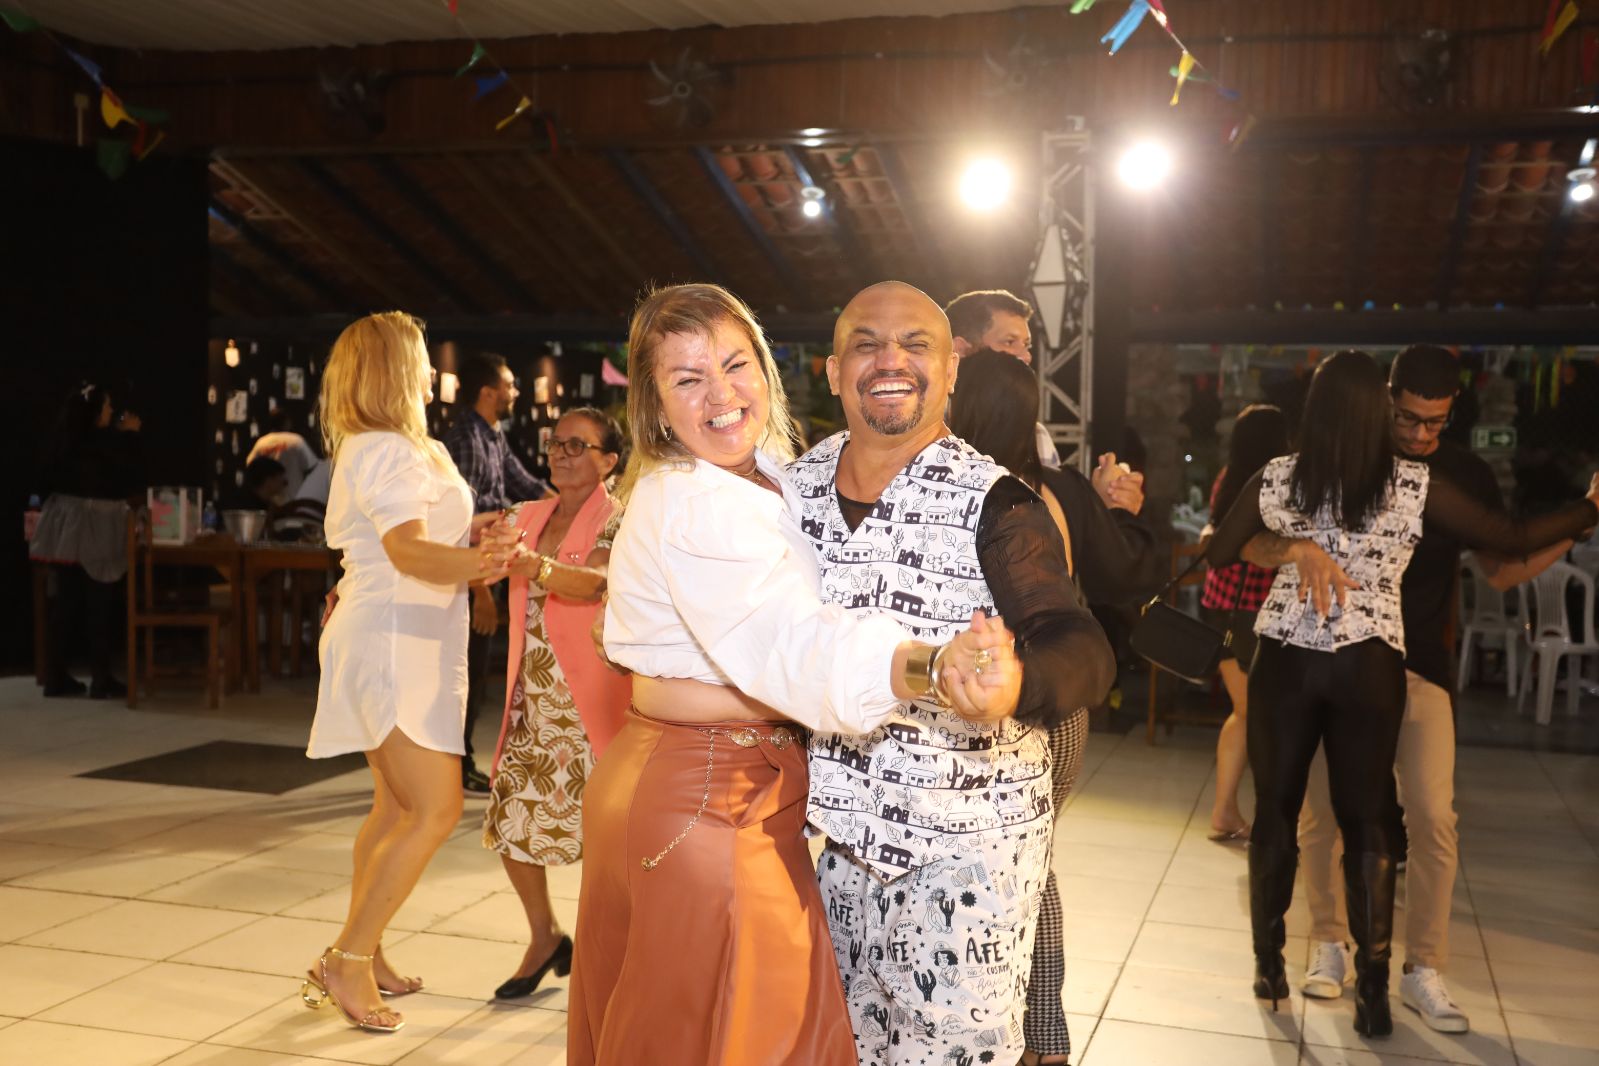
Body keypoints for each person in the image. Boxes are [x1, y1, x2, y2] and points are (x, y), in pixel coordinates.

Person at [570, 283, 1021, 1066]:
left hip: (711, 784)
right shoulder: (694, 500)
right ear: (654, 404)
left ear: (765, 368)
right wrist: (927, 663)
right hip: (704, 795)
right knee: (738, 1037)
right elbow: (791, 642)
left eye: (734, 365)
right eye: (687, 379)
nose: (720, 395)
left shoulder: (767, 476)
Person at [1204, 349, 1599, 1038]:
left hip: (1295, 659)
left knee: (1284, 812)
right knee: (1362, 822)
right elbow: (1508, 538)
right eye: (1405, 418)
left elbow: (1217, 551)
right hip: (1371, 663)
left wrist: (1293, 548)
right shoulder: (1413, 485)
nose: (1417, 432)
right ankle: (1371, 989)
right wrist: (1587, 508)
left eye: (1431, 422)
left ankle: (1274, 967)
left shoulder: (1279, 476)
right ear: (1378, 408)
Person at [793, 282, 1117, 1065]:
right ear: (833, 371)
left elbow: (1080, 644)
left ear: (949, 372)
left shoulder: (994, 500)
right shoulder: (790, 490)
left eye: (915, 345)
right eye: (866, 344)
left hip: (966, 858)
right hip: (835, 849)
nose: (890, 360)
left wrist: (1016, 685)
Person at [948, 349, 1162, 1066]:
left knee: (1022, 871)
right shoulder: (1055, 491)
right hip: (1061, 705)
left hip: (990, 704)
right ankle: (1039, 1034)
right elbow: (1126, 574)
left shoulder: (950, 492)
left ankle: (1026, 1031)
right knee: (1031, 866)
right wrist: (1119, 513)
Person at [302, 311, 514, 1035]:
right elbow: (407, 552)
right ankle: (348, 957)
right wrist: (484, 564)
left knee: (395, 810)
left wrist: (476, 535)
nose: (432, 372)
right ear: (396, 369)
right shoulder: (388, 447)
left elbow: (421, 536)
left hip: (400, 635)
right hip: (394, 640)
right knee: (436, 809)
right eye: (422, 359)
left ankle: (364, 947)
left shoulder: (393, 445)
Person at [482, 407, 630, 1001]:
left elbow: (596, 579)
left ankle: (607, 956)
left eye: (577, 445)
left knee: (604, 839)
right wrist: (481, 589)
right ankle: (544, 935)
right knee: (510, 820)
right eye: (555, 443)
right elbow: (477, 545)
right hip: (531, 696)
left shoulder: (620, 518)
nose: (561, 454)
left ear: (608, 461)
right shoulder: (527, 514)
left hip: (589, 698)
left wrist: (533, 566)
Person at [442, 352, 551, 796]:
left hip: (486, 571)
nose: (515, 391)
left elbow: (526, 484)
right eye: (509, 384)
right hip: (470, 577)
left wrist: (579, 505)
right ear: (488, 392)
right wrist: (479, 590)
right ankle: (455, 764)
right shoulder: (467, 439)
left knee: (473, 669)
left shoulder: (492, 434)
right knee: (463, 672)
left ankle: (458, 760)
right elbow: (459, 524)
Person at [1200, 404, 1290, 842]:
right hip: (1256, 611)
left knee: (1245, 712)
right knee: (1259, 715)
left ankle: (1226, 811)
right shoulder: (1277, 483)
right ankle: (1247, 815)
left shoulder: (1228, 478)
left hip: (1220, 607)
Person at [28, 382, 142, 699]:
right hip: (97, 527)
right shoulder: (105, 444)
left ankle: (55, 675)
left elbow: (44, 481)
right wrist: (129, 435)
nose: (111, 411)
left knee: (66, 602)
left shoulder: (64, 441)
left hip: (66, 527)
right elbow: (126, 476)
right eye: (107, 407)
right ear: (96, 412)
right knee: (99, 602)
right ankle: (101, 677)